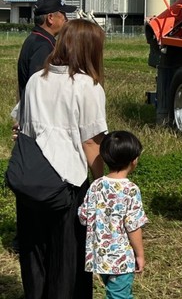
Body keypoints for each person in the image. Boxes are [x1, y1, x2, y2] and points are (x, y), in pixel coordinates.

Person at [15, 19, 109, 299]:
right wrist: (100, 185)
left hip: (31, 178)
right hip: (68, 182)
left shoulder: (36, 80)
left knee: (35, 251)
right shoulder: (87, 86)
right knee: (68, 257)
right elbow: (91, 142)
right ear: (90, 49)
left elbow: (25, 129)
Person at [10, 0, 77, 254]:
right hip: (39, 123)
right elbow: (43, 88)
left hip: (32, 119)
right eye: (63, 14)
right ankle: (27, 237)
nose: (66, 18)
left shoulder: (38, 40)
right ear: (51, 18)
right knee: (38, 176)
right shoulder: (43, 47)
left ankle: (26, 234)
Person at [78, 131, 148, 299]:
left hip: (99, 257)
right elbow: (133, 226)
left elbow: (83, 216)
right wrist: (140, 254)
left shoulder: (95, 185)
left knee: (115, 292)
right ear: (134, 161)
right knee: (119, 296)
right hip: (121, 260)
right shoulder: (130, 190)